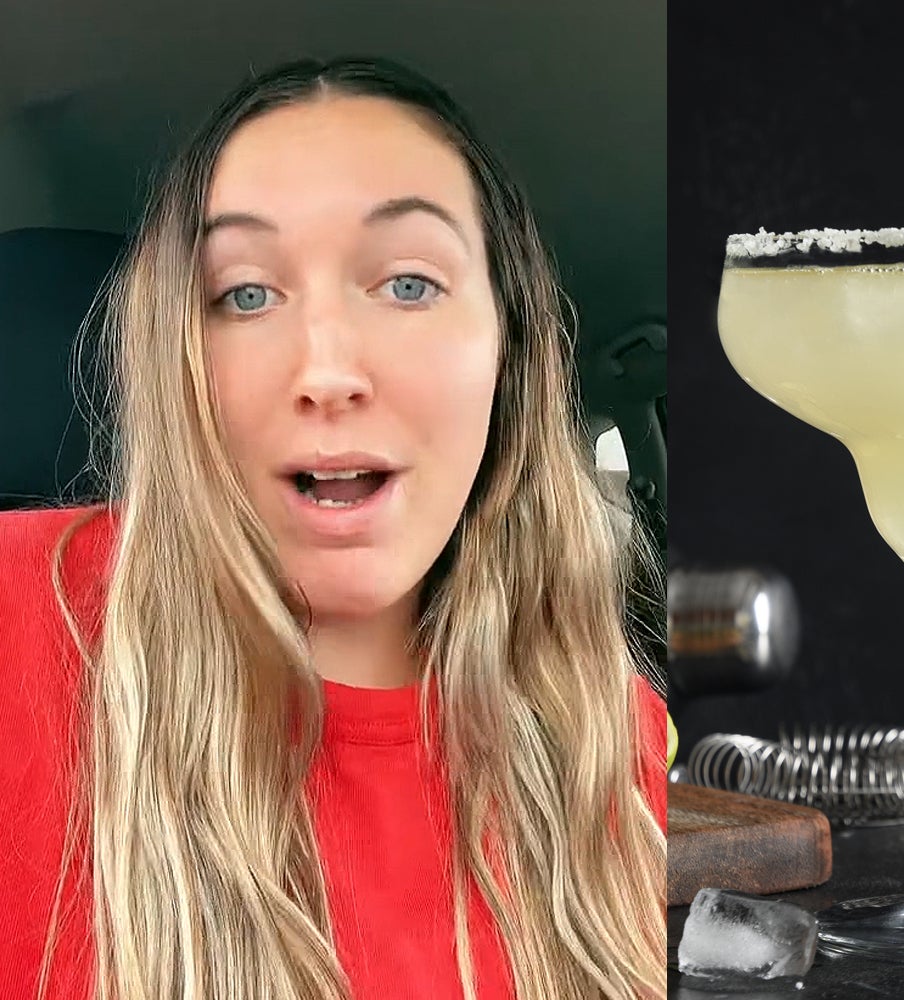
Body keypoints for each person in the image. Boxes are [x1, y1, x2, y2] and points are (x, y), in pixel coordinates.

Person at [0, 57, 673, 1000]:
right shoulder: (21, 618)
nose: (326, 369)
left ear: (509, 352)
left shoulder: (611, 728)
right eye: (244, 294)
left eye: (406, 284)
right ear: (178, 363)